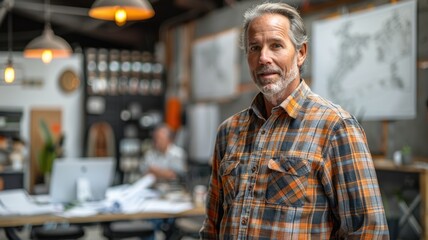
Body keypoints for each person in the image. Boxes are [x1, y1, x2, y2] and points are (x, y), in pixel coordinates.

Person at [200, 2, 389, 239]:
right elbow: (212, 227)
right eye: (254, 48)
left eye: (276, 45)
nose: (263, 58)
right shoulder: (229, 131)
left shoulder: (336, 127)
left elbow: (369, 232)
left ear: (300, 53)